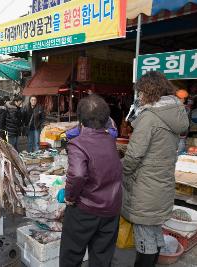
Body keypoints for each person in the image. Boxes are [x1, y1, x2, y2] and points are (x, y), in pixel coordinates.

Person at [122, 71, 189, 267]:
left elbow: (134, 155)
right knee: (155, 233)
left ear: (149, 91)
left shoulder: (150, 117)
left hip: (145, 186)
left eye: (141, 92)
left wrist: (123, 171)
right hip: (163, 182)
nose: (139, 97)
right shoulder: (175, 111)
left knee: (144, 237)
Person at [59, 94, 123, 267]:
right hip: (111, 208)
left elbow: (78, 174)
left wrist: (70, 197)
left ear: (81, 119)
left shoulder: (78, 143)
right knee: (102, 258)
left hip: (85, 209)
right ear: (106, 118)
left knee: (71, 256)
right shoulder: (110, 138)